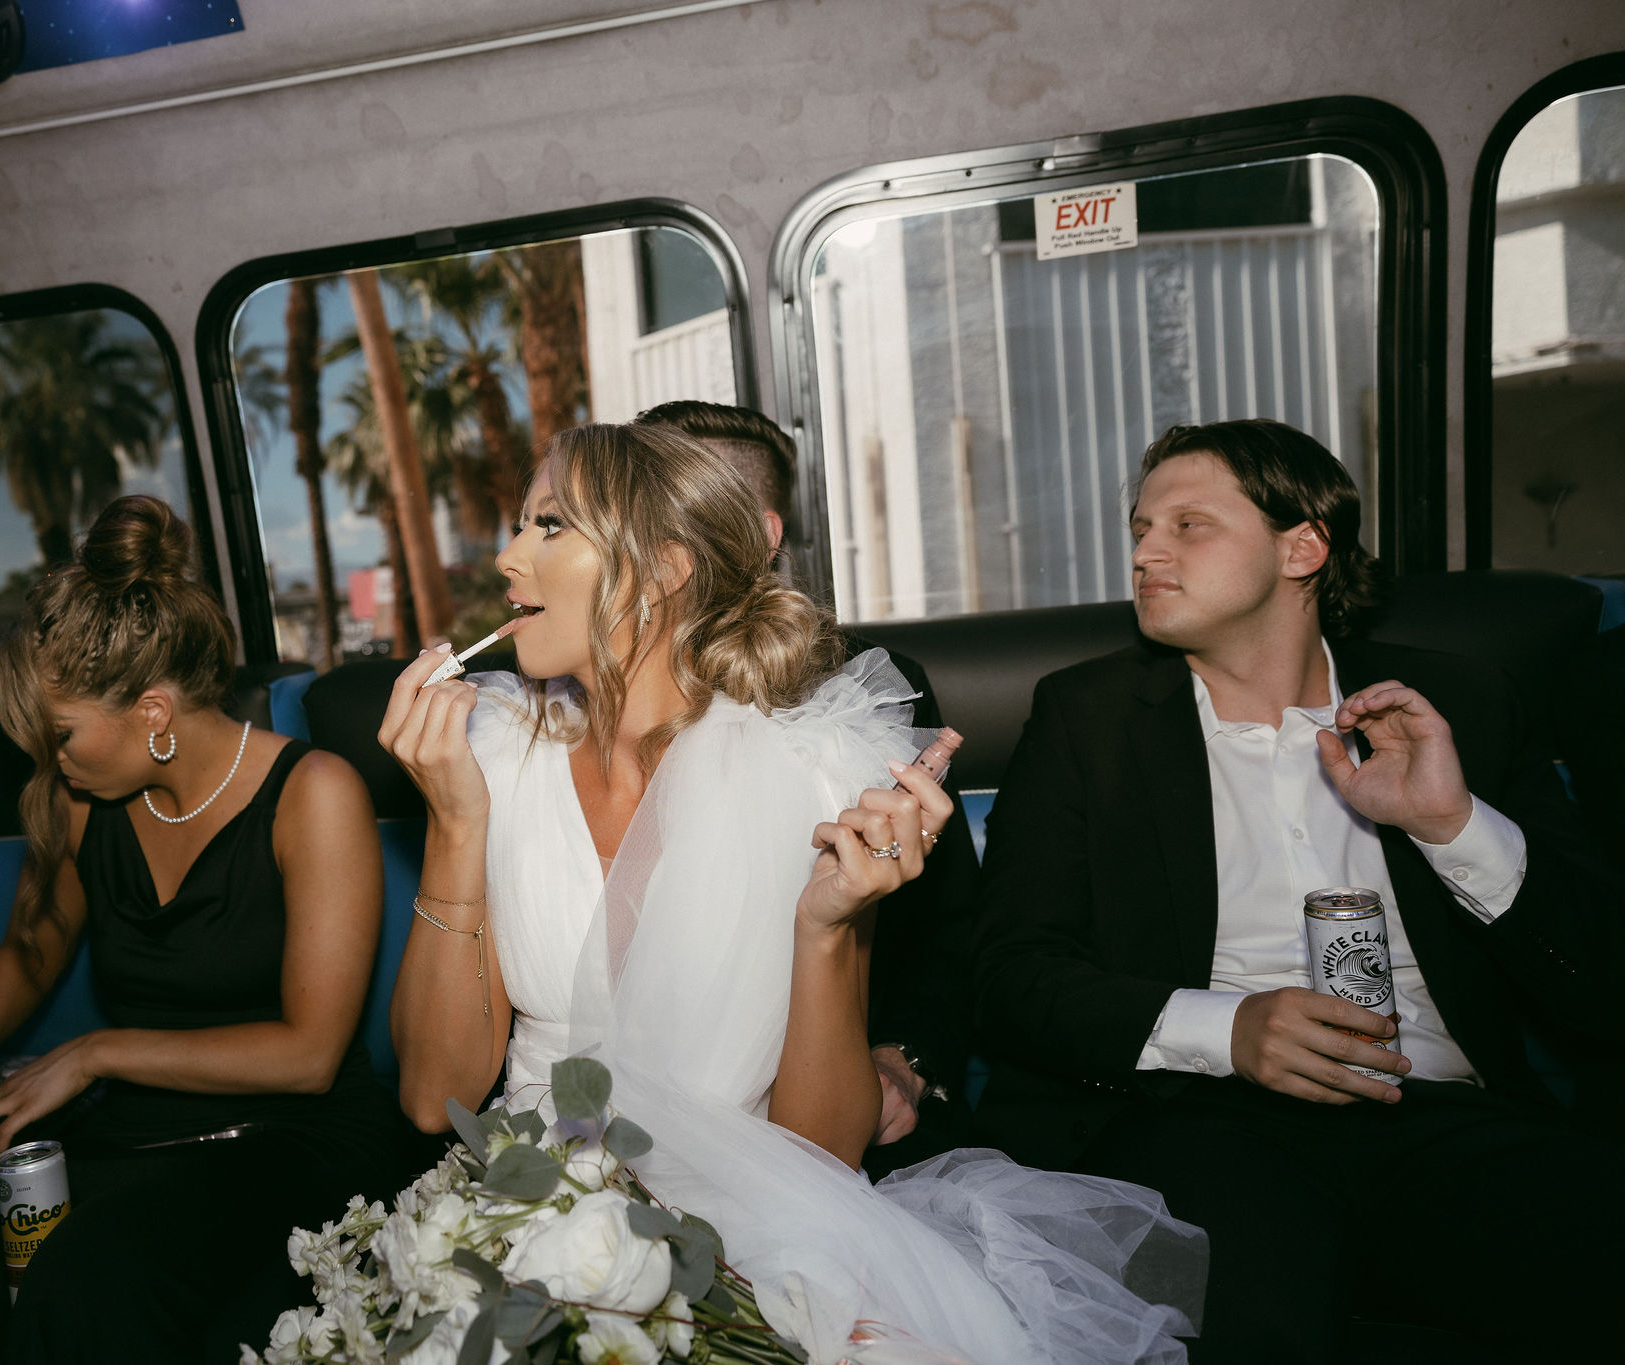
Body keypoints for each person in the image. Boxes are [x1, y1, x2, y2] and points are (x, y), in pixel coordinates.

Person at [379, 424, 1206, 1365]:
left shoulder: (811, 770)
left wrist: (828, 926)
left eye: (551, 526)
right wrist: (452, 823)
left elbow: (817, 1155)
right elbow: (430, 1097)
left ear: (661, 570)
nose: (508, 554)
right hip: (516, 1216)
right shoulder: (492, 749)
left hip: (754, 1232)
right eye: (522, 524)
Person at [969, 419, 1625, 1362]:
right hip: (1198, 1122)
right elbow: (1010, 975)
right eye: (1141, 528)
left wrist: (1451, 825)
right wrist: (1224, 1029)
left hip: (1441, 1113)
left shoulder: (1456, 704)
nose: (1147, 551)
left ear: (1303, 545)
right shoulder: (1088, 718)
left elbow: (1604, 978)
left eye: (1188, 525)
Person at [0, 497, 404, 1364]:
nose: (51, 758)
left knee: (85, 1292)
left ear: (153, 710)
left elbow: (308, 1055)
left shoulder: (313, 794)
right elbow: (31, 948)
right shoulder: (84, 801)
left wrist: (93, 1053)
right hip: (140, 1134)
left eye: (64, 733)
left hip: (292, 1140)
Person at [633, 399, 977, 1165]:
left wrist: (902, 1060)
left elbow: (945, 933)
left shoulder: (871, 691)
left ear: (758, 535)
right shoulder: (572, 697)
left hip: (824, 1098)